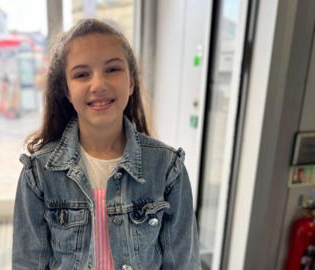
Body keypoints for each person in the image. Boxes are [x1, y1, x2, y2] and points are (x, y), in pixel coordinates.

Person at [12, 18, 200, 270]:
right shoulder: (38, 174)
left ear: (131, 82)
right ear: (67, 90)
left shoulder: (167, 169)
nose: (98, 84)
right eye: (81, 74)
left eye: (112, 69)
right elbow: (28, 264)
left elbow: (183, 264)